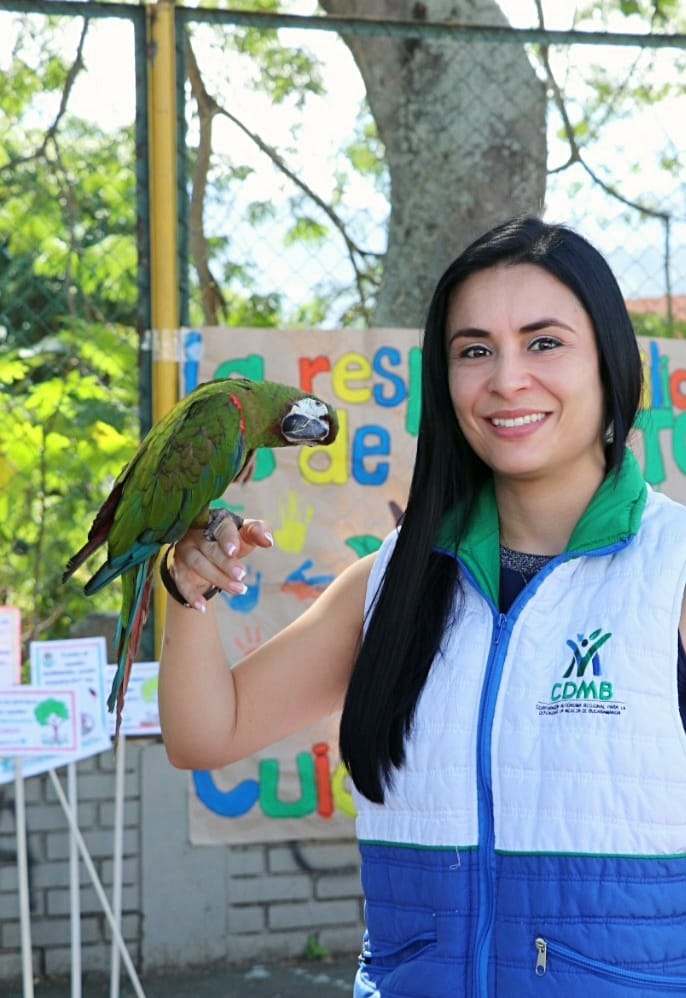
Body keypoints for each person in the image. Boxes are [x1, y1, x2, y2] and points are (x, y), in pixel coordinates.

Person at [158, 216, 686, 997]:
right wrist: (189, 590)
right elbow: (207, 733)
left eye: (544, 343)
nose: (507, 379)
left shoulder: (672, 568)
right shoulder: (391, 580)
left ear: (610, 362)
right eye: (474, 350)